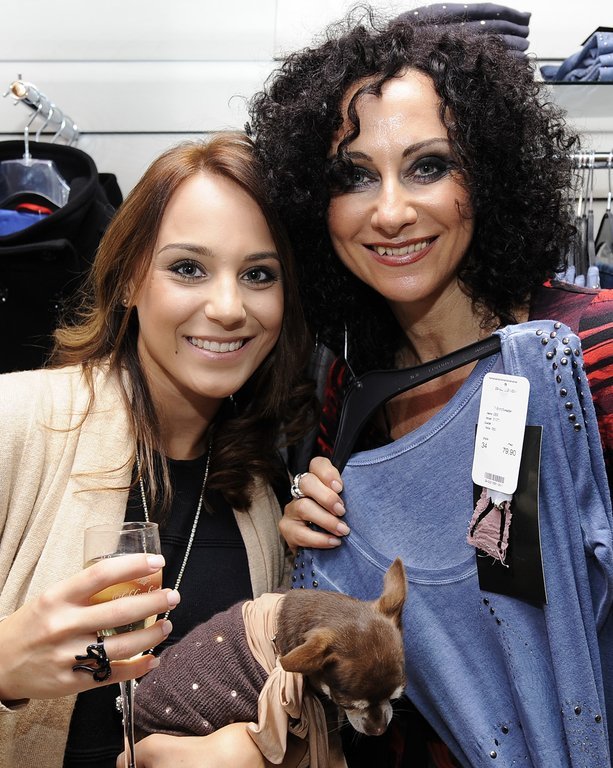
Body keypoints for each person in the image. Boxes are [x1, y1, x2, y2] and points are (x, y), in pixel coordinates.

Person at [248, 12, 613, 768]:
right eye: (354, 175)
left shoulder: (589, 355)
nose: (389, 211)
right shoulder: (352, 388)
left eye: (428, 166)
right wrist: (316, 539)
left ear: (488, 177)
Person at [0, 132, 315, 768]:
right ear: (127, 279)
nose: (228, 308)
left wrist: (261, 749)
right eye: (188, 268)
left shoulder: (262, 494)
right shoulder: (16, 422)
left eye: (258, 274)